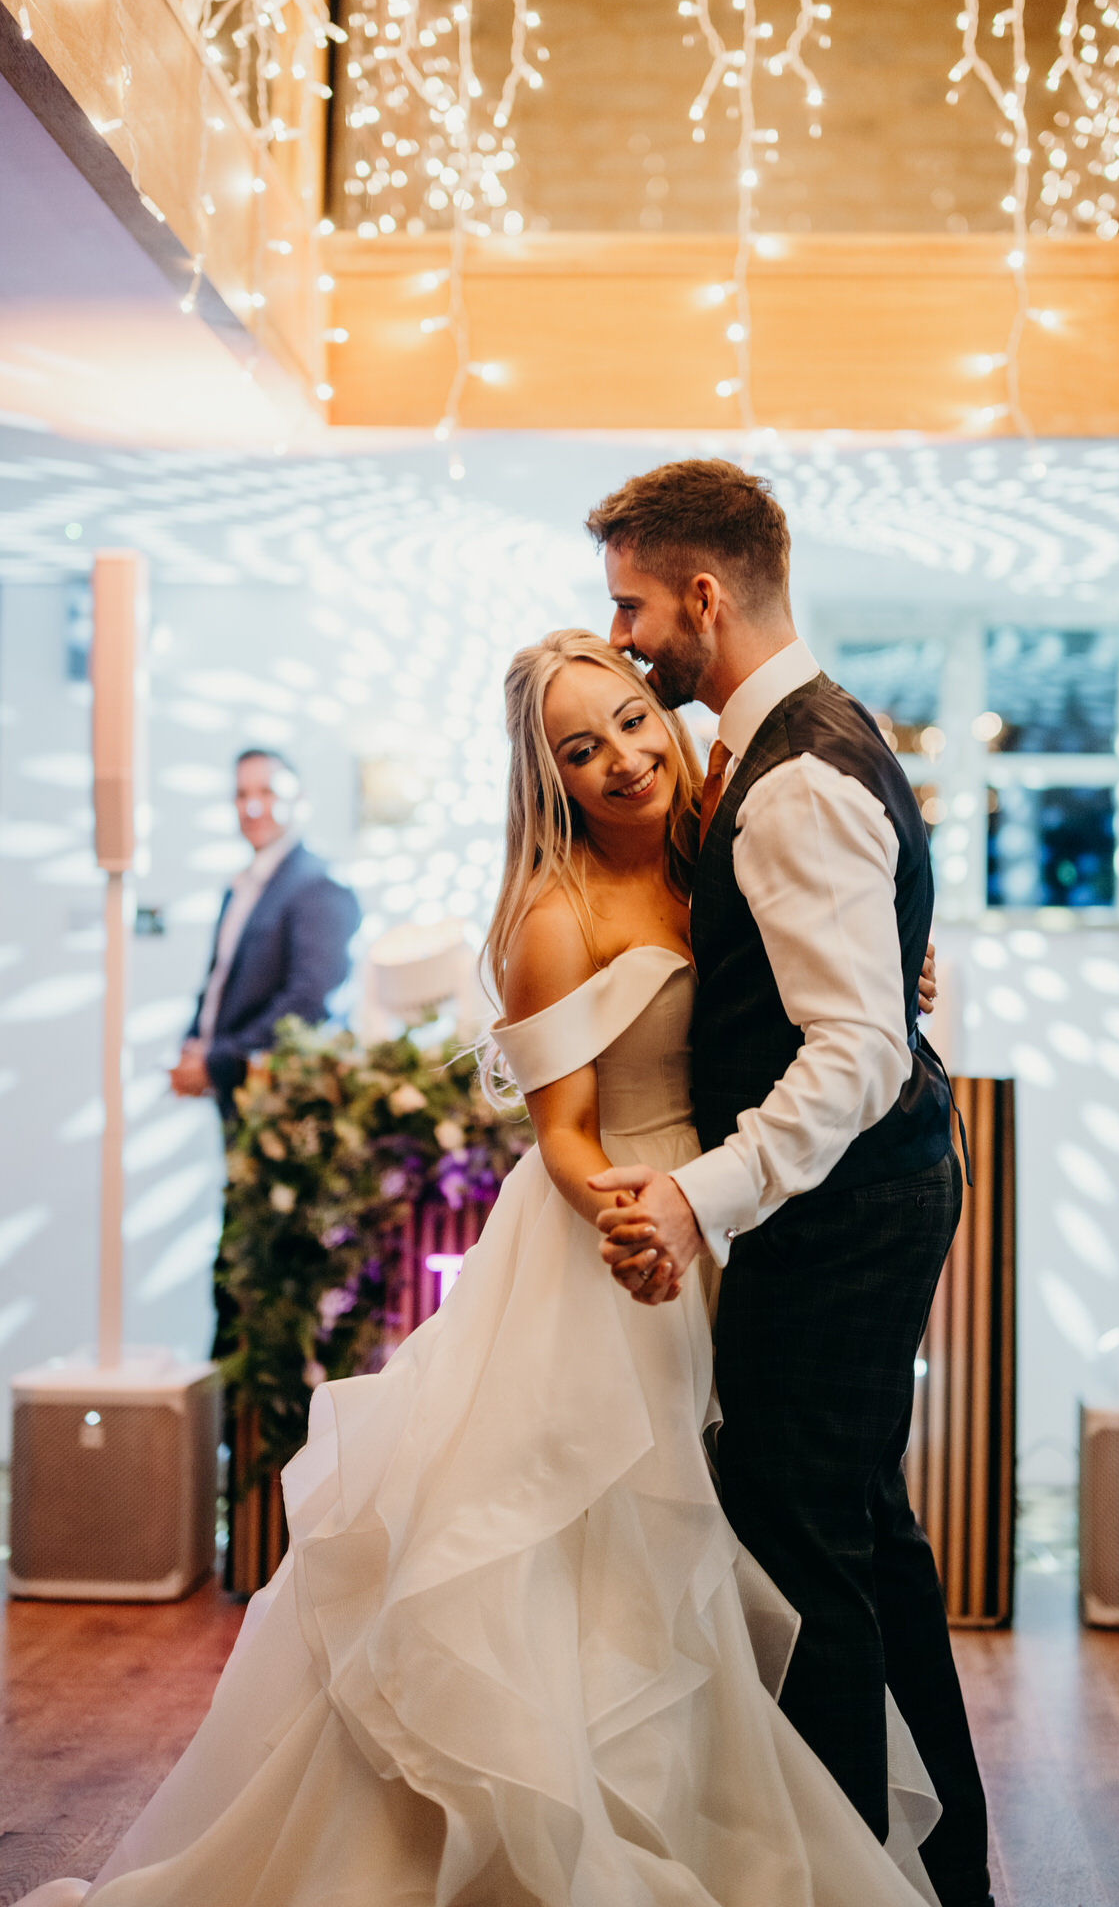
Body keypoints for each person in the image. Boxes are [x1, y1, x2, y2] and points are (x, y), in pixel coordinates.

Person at [18, 633, 941, 1907]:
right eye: (581, 748)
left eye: (631, 721)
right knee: (598, 1566)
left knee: (739, 1548)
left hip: (732, 1222)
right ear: (547, 775)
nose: (622, 758)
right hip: (616, 1249)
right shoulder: (553, 917)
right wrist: (637, 1222)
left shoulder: (715, 850)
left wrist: (899, 971)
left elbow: (819, 968)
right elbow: (560, 1133)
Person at [587, 460, 994, 1907]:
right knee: (857, 1540)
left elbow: (856, 1050)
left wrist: (702, 1194)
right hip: (862, 1195)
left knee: (800, 1553)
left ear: (703, 595)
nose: (623, 636)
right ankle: (937, 1876)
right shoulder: (805, 738)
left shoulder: (796, 774)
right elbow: (862, 997)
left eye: (632, 605)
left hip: (841, 1212)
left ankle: (842, 1883)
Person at [170, 748, 361, 1121]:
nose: (252, 807)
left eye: (267, 792)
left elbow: (310, 1002)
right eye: (242, 795)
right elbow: (221, 981)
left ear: (298, 799)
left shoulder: (319, 884)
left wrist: (217, 1062)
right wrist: (193, 1046)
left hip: (285, 1103)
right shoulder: (240, 886)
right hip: (235, 1097)